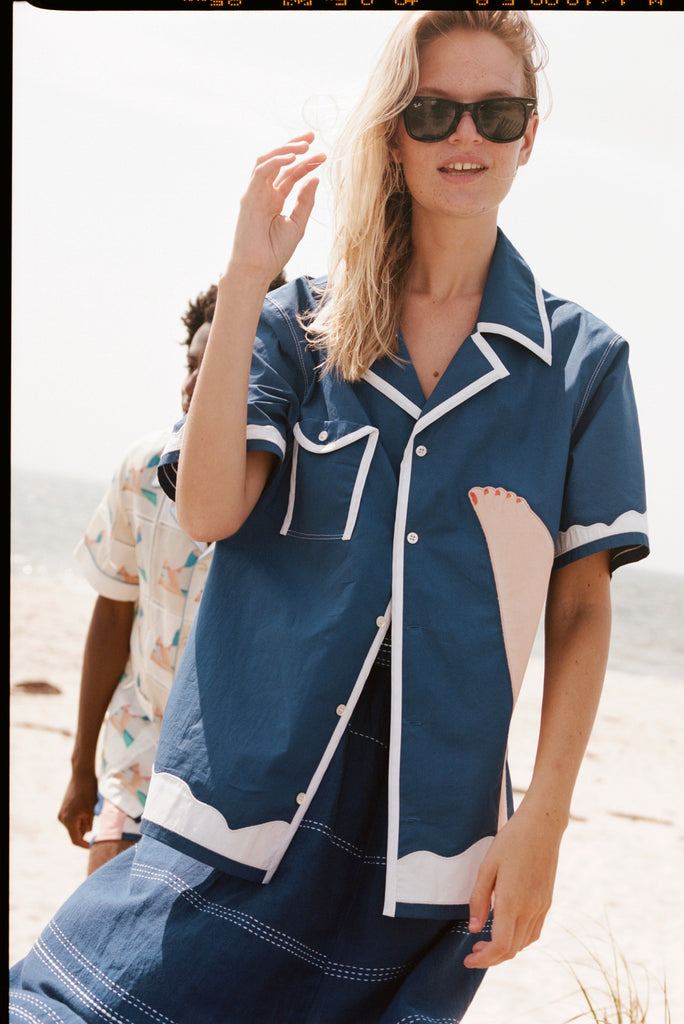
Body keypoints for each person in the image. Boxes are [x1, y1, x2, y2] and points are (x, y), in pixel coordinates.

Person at [9, 12, 649, 1023]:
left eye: (496, 112)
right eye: (433, 111)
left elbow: (577, 611)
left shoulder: (582, 366)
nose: (464, 137)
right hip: (232, 821)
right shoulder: (290, 327)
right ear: (393, 132)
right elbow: (213, 509)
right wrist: (246, 272)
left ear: (530, 133)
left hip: (423, 862)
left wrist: (542, 828)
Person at [56, 279, 285, 874]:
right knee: (100, 901)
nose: (193, 385)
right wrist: (82, 768)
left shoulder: (295, 493)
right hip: (136, 750)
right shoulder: (140, 469)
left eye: (220, 366)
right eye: (191, 364)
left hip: (231, 769)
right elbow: (112, 614)